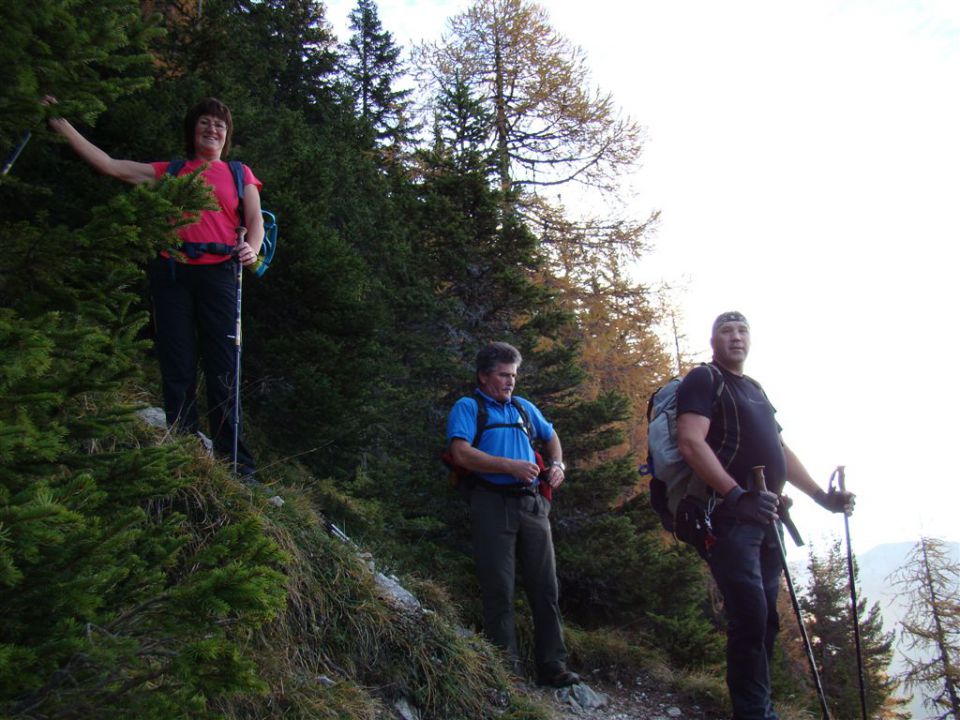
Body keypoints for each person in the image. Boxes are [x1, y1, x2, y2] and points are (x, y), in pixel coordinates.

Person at [46, 97, 263, 476]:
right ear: (192, 132)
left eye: (219, 126)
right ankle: (183, 446)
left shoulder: (238, 173)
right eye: (204, 124)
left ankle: (235, 464)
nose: (212, 130)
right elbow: (111, 166)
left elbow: (255, 218)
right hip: (173, 273)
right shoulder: (171, 171)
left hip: (221, 275)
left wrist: (252, 248)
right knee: (177, 363)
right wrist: (59, 122)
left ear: (226, 136)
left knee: (224, 368)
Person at [675, 312, 855, 720]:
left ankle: (759, 705)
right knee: (750, 615)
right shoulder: (704, 379)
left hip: (765, 517)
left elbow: (780, 450)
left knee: (766, 618)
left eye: (742, 331)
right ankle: (754, 712)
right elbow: (689, 441)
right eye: (726, 330)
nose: (736, 337)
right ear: (713, 340)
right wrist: (736, 495)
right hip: (728, 517)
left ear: (750, 339)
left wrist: (822, 497)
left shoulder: (753, 388)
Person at [446, 342, 580, 687]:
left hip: (533, 505)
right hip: (492, 504)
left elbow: (551, 438)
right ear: (483, 376)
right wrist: (510, 466)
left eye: (514, 375)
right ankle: (506, 674)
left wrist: (557, 465)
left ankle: (553, 665)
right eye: (504, 375)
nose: (510, 382)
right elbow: (460, 453)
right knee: (498, 589)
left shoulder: (523, 408)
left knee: (545, 588)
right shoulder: (468, 407)